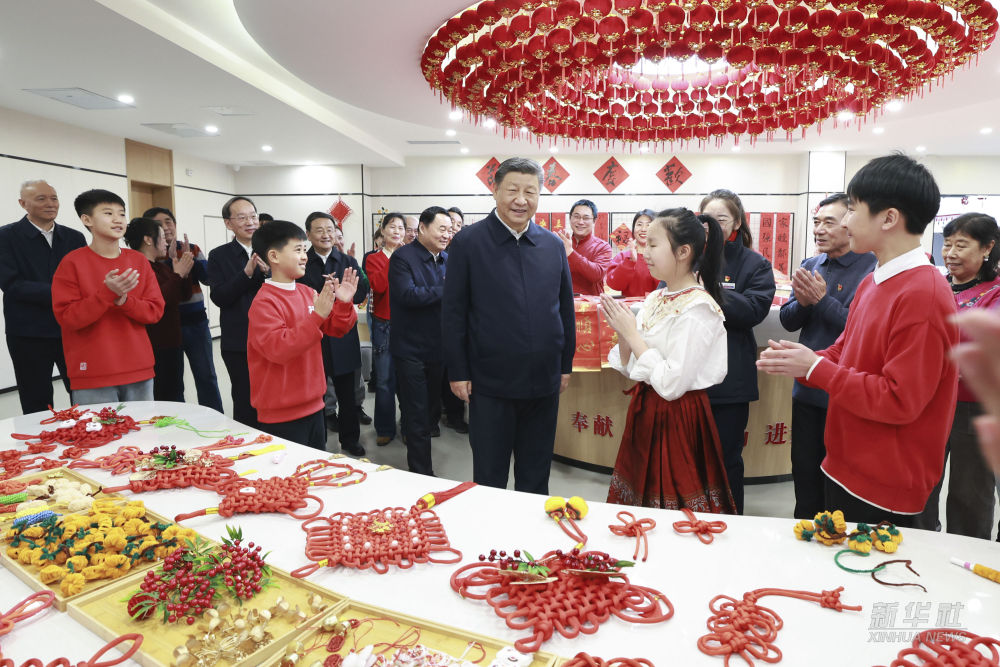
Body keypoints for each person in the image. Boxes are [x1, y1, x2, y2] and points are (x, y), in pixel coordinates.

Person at [758, 153, 958, 527]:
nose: (846, 221)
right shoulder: (874, 280)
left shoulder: (925, 293)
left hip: (887, 481)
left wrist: (815, 368)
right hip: (846, 463)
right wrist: (804, 361)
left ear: (889, 218)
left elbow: (899, 400)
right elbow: (845, 348)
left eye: (852, 209)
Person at [443, 157, 576, 494]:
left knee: (536, 475)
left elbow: (565, 308)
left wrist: (565, 365)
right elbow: (454, 312)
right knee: (490, 477)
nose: (521, 200)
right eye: (512, 190)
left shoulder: (552, 245)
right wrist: (458, 371)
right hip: (490, 383)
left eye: (530, 192)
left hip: (543, 382)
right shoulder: (468, 242)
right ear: (495, 191)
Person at [601, 209, 736, 513]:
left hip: (677, 417)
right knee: (640, 498)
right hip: (646, 410)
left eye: (652, 244)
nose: (644, 252)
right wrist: (624, 332)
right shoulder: (656, 298)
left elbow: (671, 384)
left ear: (683, 252)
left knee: (675, 506)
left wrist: (631, 334)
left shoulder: (698, 308)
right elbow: (629, 367)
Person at [778, 193, 877, 519]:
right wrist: (805, 302)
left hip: (846, 393)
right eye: (816, 222)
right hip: (807, 391)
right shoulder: (811, 265)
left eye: (828, 223)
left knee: (840, 486)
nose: (818, 230)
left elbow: (860, 330)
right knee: (805, 475)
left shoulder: (872, 269)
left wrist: (821, 301)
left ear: (850, 224)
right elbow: (789, 320)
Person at [918, 213, 1000, 538]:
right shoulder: (936, 286)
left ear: (987, 248)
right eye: (947, 244)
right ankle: (919, 546)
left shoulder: (995, 293)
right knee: (921, 484)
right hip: (929, 401)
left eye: (961, 245)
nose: (950, 253)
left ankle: (966, 557)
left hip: (973, 406)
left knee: (970, 493)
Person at [247, 221, 359, 449]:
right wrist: (317, 316)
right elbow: (279, 349)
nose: (304, 257)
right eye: (297, 250)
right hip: (281, 413)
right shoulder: (264, 302)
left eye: (304, 250)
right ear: (274, 256)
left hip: (314, 405)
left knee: (314, 465)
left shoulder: (307, 292)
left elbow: (337, 328)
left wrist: (344, 303)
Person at [699, 189, 775, 515]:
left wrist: (708, 289)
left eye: (721, 219)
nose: (713, 227)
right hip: (686, 378)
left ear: (737, 223)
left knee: (726, 459)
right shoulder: (687, 256)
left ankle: (730, 522)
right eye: (707, 220)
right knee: (689, 459)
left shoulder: (755, 264)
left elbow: (753, 310)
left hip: (730, 383)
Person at [51, 190, 164, 404]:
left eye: (121, 214)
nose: (118, 219)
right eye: (108, 213)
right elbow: (68, 318)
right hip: (93, 374)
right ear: (87, 220)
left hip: (139, 369)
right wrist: (107, 294)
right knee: (97, 427)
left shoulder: (138, 261)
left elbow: (155, 311)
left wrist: (124, 301)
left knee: (143, 426)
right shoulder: (72, 263)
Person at [0, 180, 86, 413]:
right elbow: (12, 284)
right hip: (28, 332)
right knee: (36, 399)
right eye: (41, 199)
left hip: (71, 329)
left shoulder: (74, 238)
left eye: (54, 198)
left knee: (83, 393)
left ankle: (85, 435)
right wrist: (64, 293)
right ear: (23, 204)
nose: (50, 204)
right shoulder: (5, 236)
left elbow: (84, 279)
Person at [389, 206, 452, 475]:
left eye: (450, 230)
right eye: (441, 229)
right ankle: (421, 472)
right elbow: (407, 295)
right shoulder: (403, 257)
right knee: (416, 413)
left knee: (431, 412)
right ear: (423, 228)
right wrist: (447, 289)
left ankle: (422, 460)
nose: (447, 234)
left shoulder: (447, 259)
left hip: (439, 348)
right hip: (410, 350)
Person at [300, 212, 368, 457]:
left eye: (329, 229)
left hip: (343, 334)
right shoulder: (302, 261)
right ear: (308, 235)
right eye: (319, 230)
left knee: (347, 395)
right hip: (314, 334)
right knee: (315, 395)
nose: (325, 235)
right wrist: (325, 291)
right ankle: (317, 443)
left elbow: (362, 292)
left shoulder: (347, 260)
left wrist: (344, 295)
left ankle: (350, 440)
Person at [143, 206, 224, 412]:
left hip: (196, 323)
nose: (166, 227)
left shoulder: (191, 249)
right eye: (159, 224)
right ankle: (178, 417)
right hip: (167, 327)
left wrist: (191, 261)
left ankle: (215, 418)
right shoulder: (151, 255)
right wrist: (174, 266)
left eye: (168, 221)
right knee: (172, 379)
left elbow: (209, 279)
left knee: (206, 375)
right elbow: (163, 291)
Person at [208, 196, 267, 428]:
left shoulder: (272, 250)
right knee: (244, 398)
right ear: (228, 223)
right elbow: (219, 297)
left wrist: (270, 274)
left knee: (273, 395)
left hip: (273, 337)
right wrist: (246, 274)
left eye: (253, 216)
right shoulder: (219, 255)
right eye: (242, 218)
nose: (250, 222)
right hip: (239, 340)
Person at [124, 217, 193, 402]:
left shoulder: (161, 267)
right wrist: (178, 275)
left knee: (175, 392)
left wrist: (184, 273)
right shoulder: (136, 267)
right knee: (161, 395)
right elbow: (158, 300)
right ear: (148, 239)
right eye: (162, 237)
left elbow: (183, 296)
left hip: (172, 341)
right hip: (155, 343)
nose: (166, 242)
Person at [364, 213, 406, 445]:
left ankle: (408, 426)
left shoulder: (411, 255)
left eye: (401, 227)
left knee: (408, 380)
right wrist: (395, 257)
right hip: (384, 324)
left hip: (408, 324)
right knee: (384, 379)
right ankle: (385, 428)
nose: (397, 231)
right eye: (392, 227)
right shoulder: (373, 258)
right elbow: (378, 287)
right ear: (382, 231)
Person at [953, 309, 1000, 477]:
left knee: (970, 484)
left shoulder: (994, 297)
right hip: (936, 401)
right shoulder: (944, 292)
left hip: (973, 405)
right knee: (926, 482)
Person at [557, 199, 612, 296]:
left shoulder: (603, 247)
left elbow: (597, 275)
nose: (580, 222)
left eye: (586, 218)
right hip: (564, 301)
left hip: (592, 303)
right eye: (576, 217)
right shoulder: (560, 243)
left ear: (594, 221)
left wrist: (571, 253)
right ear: (570, 218)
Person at [606, 209, 659, 297]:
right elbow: (614, 285)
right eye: (639, 224)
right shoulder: (623, 256)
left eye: (649, 225)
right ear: (633, 229)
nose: (643, 229)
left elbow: (668, 287)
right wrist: (630, 261)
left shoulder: (663, 257)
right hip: (629, 305)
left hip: (656, 305)